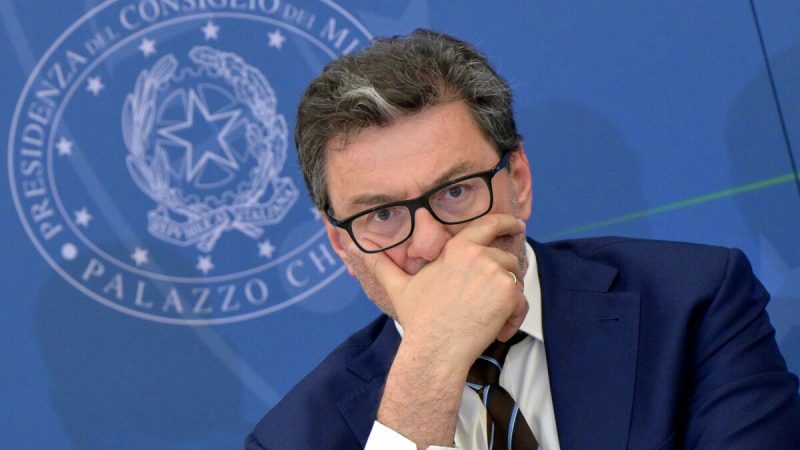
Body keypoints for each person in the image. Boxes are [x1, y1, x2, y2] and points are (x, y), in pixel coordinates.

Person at [246, 29, 800, 449]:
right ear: (342, 245)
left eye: (456, 191)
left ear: (518, 180)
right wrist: (429, 365)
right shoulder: (293, 439)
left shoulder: (693, 305)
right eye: (383, 214)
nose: (432, 244)